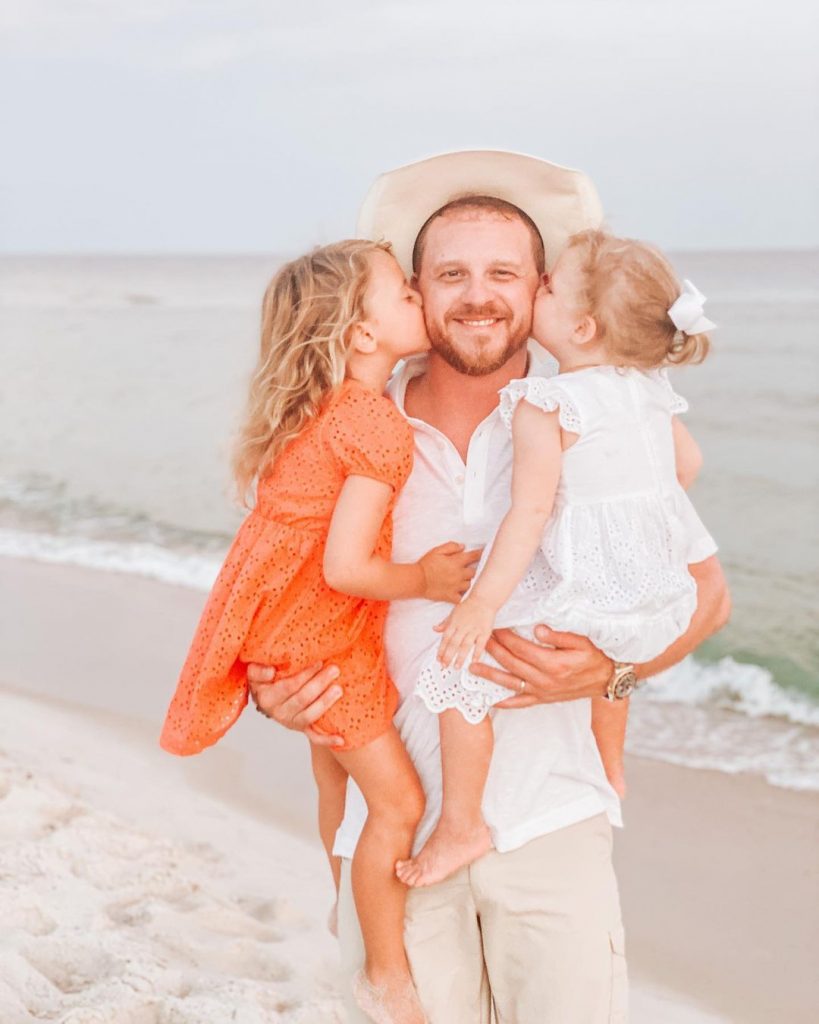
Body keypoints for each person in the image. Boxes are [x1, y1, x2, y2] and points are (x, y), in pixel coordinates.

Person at [248, 151, 731, 1023]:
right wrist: (275, 690)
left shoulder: (596, 418)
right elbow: (279, 594)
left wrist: (612, 674)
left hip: (550, 818)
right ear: (414, 292)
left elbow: (704, 596)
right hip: (391, 832)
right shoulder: (352, 430)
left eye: (503, 273)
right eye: (451, 274)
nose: (478, 295)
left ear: (543, 290)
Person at [158, 239, 479, 1024]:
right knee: (399, 806)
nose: (417, 294)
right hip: (324, 641)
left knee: (335, 781)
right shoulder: (375, 426)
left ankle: (345, 900)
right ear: (361, 335)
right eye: (403, 294)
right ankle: (385, 970)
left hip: (290, 631)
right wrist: (425, 581)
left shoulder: (319, 414)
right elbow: (345, 567)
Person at [398, 228, 718, 888]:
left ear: (579, 323)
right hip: (654, 592)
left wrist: (480, 606)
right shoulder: (647, 389)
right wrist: (622, 514)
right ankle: (608, 766)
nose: (536, 291)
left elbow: (528, 515)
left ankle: (461, 823)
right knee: (605, 660)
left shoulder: (546, 403)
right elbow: (687, 465)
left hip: (586, 584)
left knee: (458, 676)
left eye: (544, 285)